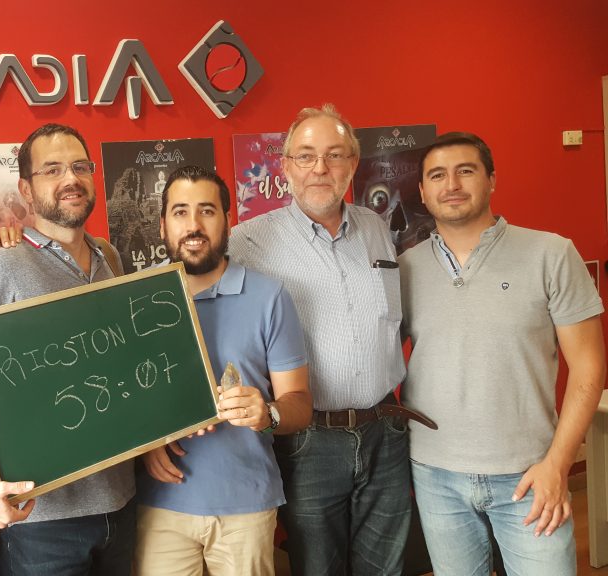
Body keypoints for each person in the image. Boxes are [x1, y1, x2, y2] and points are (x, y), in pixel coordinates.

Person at [229, 103, 433, 575]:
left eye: (335, 155)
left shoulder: (377, 229)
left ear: (352, 164)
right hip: (308, 443)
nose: (320, 168)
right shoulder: (247, 242)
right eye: (305, 156)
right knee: (318, 567)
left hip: (385, 430)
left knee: (385, 567)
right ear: (286, 167)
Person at [400, 131, 606, 575]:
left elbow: (589, 368)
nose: (451, 184)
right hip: (436, 476)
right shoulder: (404, 268)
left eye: (466, 170)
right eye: (437, 175)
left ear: (492, 180)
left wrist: (558, 464)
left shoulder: (551, 254)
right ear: (423, 191)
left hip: (531, 473)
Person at [0, 123, 135, 575]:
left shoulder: (110, 259)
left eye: (80, 167)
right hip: (43, 517)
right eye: (52, 169)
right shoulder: (1, 267)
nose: (70, 179)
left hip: (122, 500)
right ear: (26, 190)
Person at [134, 165, 312, 576]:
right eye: (180, 212)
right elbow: (117, 399)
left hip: (246, 506)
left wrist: (268, 413)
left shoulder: (270, 297)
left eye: (207, 211)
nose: (193, 225)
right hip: (160, 504)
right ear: (162, 225)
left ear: (227, 221)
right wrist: (144, 443)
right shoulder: (136, 296)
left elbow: (300, 404)